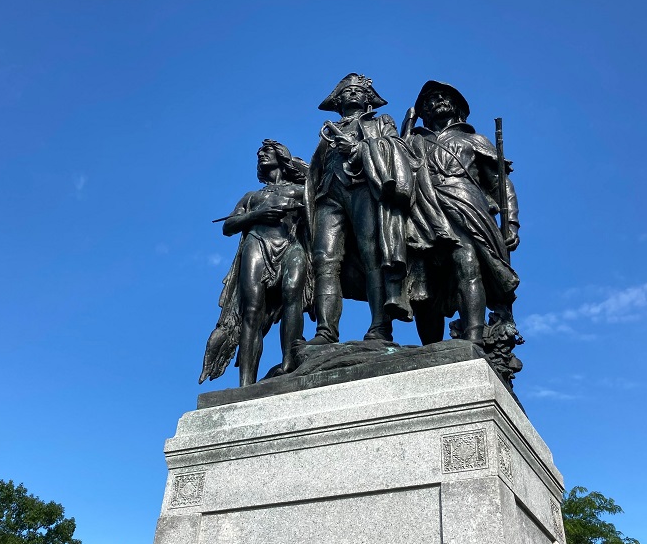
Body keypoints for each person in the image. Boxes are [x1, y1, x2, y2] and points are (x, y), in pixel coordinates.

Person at [403, 81, 520, 346]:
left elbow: (500, 185)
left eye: (445, 97)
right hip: (422, 212)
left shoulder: (474, 140)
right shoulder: (413, 141)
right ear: (424, 111)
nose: (438, 101)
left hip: (465, 206)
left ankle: (473, 339)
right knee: (423, 284)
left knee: (466, 262)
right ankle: (431, 348)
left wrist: (510, 223)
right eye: (431, 100)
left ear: (457, 107)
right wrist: (405, 132)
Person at [305, 73, 418, 344]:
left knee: (373, 255)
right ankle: (325, 331)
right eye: (347, 91)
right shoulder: (328, 130)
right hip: (328, 195)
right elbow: (314, 171)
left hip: (364, 189)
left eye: (358, 91)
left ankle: (380, 326)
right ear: (338, 100)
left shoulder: (381, 121)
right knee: (324, 261)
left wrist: (357, 148)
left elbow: (396, 148)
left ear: (368, 99)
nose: (353, 94)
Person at [199, 140, 312, 387]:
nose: (261, 154)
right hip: (258, 243)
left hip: (292, 244)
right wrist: (257, 215)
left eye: (267, 151)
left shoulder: (300, 190)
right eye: (259, 153)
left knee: (293, 295)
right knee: (252, 311)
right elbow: (228, 226)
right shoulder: (252, 196)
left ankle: (290, 363)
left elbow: (319, 187)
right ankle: (246, 383)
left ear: (282, 157)